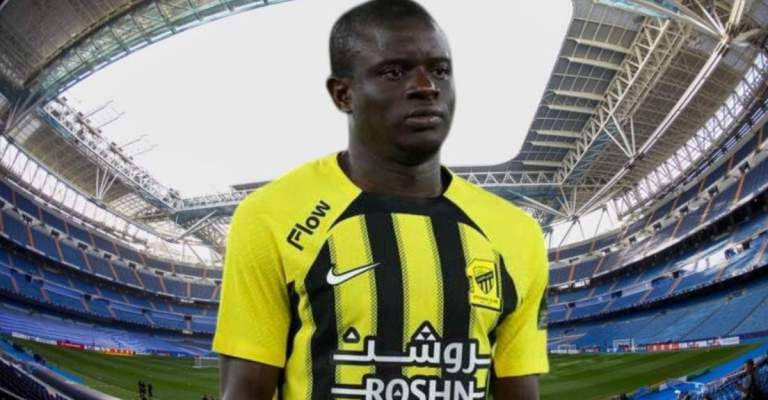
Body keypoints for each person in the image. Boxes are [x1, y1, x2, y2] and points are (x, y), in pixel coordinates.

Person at [213, 0, 550, 399]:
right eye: (395, 71)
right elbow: (245, 391)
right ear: (343, 94)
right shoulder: (271, 216)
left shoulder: (516, 233)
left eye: (440, 71)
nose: (426, 86)